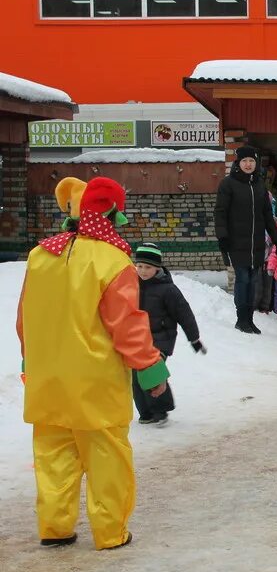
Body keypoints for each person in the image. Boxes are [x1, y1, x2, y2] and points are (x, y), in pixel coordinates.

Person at [17, 176, 169, 550]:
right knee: (106, 456)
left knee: (53, 454)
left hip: (48, 379)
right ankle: (109, 532)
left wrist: (31, 361)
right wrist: (152, 371)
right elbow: (128, 326)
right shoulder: (113, 261)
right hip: (95, 382)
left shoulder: (40, 256)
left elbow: (25, 320)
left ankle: (54, 528)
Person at [133, 242, 206, 426]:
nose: (142, 271)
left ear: (157, 267)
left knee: (152, 371)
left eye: (147, 267)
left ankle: (160, 410)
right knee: (135, 377)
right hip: (138, 339)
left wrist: (194, 339)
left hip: (161, 337)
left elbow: (184, 314)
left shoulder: (168, 289)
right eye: (139, 266)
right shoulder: (131, 285)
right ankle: (146, 412)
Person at [215, 146, 277, 334]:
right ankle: (241, 319)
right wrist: (222, 236)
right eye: (244, 161)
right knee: (242, 278)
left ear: (255, 163)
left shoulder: (259, 185)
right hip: (237, 241)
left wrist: (276, 238)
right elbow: (220, 212)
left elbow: (268, 214)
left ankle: (249, 319)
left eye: (251, 161)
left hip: (256, 243)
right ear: (238, 162)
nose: (248, 164)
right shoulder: (228, 184)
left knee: (253, 281)